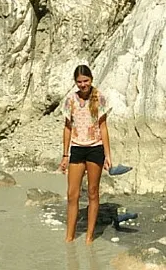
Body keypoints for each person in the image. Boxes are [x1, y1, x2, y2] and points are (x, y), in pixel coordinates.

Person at [59, 64, 112, 244]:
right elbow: (67, 128)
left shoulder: (100, 98)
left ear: (91, 80)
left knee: (92, 192)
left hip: (95, 148)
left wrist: (108, 155)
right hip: (77, 149)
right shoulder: (70, 100)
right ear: (75, 82)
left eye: (86, 81)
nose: (83, 84)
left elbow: (103, 127)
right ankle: (69, 237)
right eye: (79, 82)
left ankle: (89, 237)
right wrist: (65, 155)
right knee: (72, 194)